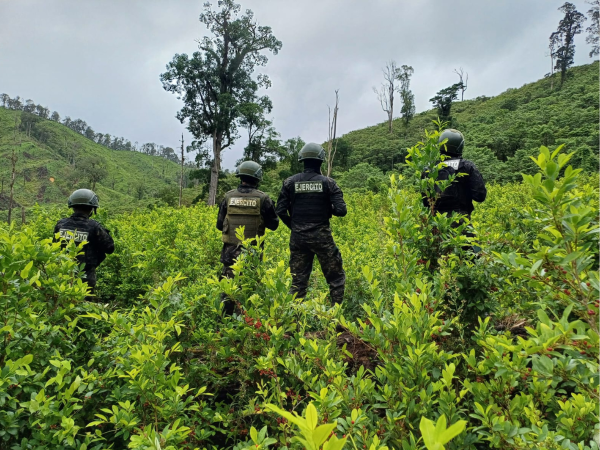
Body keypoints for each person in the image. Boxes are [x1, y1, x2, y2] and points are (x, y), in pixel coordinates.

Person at [275, 143, 347, 305]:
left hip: (298, 238)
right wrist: (328, 207)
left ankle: (294, 322)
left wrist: (294, 226)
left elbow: (280, 211)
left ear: (302, 160)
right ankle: (336, 319)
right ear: (321, 160)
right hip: (322, 238)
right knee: (335, 278)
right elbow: (341, 211)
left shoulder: (289, 182)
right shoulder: (329, 183)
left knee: (298, 282)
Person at [216, 160, 279, 315]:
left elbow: (219, 225)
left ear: (240, 176)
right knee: (250, 288)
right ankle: (248, 322)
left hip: (230, 253)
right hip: (253, 254)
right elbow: (274, 225)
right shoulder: (263, 199)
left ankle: (225, 322)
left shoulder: (228, 197)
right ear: (257, 178)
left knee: (228, 289)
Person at [424, 129, 487, 249]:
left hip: (436, 225)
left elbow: (425, 201)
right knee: (473, 260)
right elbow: (480, 196)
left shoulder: (429, 170)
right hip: (461, 223)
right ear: (460, 146)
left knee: (440, 262)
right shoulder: (467, 167)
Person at [54, 189, 115, 294]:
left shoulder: (60, 225)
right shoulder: (94, 227)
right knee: (84, 305)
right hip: (86, 277)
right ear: (92, 208)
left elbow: (54, 247)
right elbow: (110, 248)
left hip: (63, 274)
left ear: (73, 206)